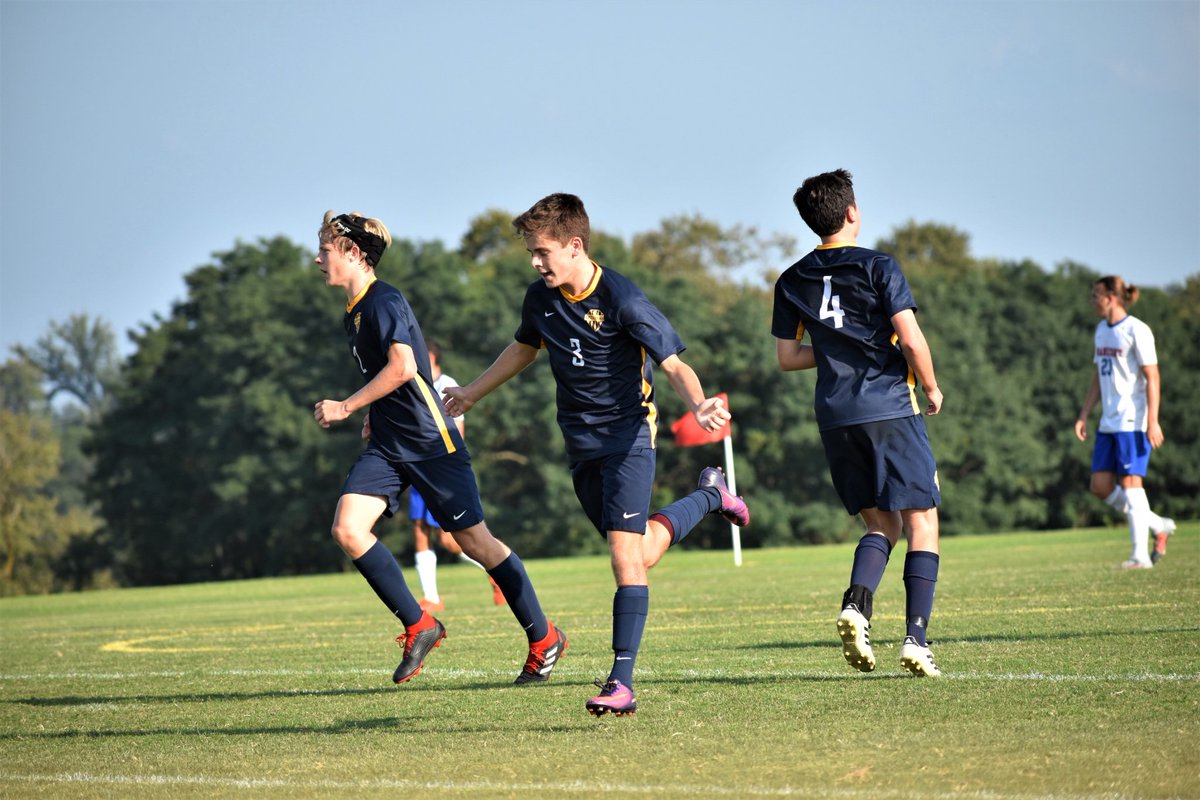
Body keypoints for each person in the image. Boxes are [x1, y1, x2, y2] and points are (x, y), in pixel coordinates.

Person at [443, 193, 750, 716]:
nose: (536, 262)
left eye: (543, 252)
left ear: (575, 245)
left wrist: (699, 405)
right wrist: (472, 391)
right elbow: (523, 347)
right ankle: (710, 495)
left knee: (624, 559)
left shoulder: (624, 299)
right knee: (641, 550)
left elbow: (672, 363)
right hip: (580, 446)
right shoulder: (539, 299)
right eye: (531, 254)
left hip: (629, 439)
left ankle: (621, 681)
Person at [312, 210, 566, 686]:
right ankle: (420, 624)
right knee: (348, 529)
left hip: (431, 441)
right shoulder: (355, 311)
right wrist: (373, 411)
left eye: (325, 250)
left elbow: (405, 366)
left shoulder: (383, 298)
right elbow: (389, 377)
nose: (317, 259)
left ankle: (544, 637)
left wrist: (347, 407)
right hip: (389, 444)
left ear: (353, 253)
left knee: (475, 542)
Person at [771, 169, 944, 678]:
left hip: (834, 415)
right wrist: (931, 386)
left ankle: (855, 605)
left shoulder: (791, 278)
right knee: (921, 520)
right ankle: (916, 639)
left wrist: (832, 349)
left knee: (879, 524)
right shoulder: (878, 265)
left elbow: (787, 357)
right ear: (852, 213)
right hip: (889, 406)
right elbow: (910, 340)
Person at [1073, 275, 1175, 569]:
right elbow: (1098, 376)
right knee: (1100, 486)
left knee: (1131, 486)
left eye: (1096, 295)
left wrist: (1152, 421)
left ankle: (1140, 556)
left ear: (1111, 298)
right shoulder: (1102, 330)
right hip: (1108, 421)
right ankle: (1157, 524)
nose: (1092, 300)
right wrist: (1084, 413)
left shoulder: (1137, 330)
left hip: (1133, 420)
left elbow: (1152, 376)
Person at [408, 341, 506, 611]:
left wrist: (444, 465)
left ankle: (496, 569)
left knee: (448, 539)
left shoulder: (446, 384)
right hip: (416, 465)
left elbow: (457, 431)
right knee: (419, 530)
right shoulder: (412, 382)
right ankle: (431, 597)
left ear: (430, 356)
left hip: (438, 468)